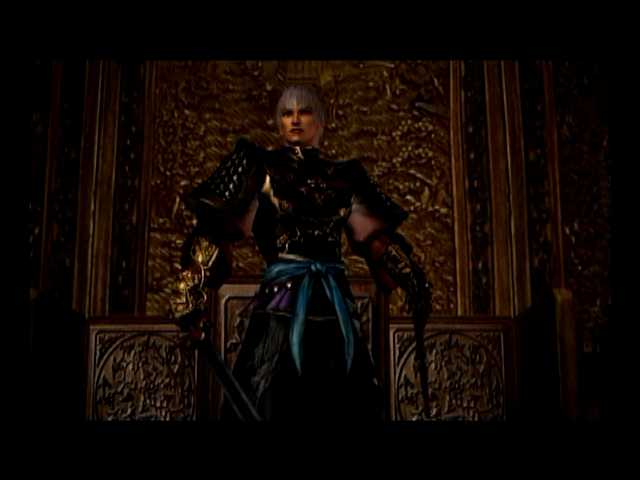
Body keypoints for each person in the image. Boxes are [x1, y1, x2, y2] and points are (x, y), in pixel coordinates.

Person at [170, 84, 432, 422]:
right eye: (286, 113)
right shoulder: (261, 169)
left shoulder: (344, 177)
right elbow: (220, 230)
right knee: (271, 398)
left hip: (334, 310)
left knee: (347, 406)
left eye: (304, 112)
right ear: (278, 122)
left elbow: (374, 240)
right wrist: (192, 283)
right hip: (280, 308)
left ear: (321, 121)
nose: (295, 120)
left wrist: (409, 274)